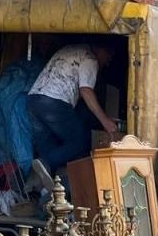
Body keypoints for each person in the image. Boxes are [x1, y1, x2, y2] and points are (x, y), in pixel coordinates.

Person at [26, 43, 118, 191]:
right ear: (101, 49)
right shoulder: (90, 58)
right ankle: (45, 164)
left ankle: (46, 194)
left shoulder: (68, 50)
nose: (107, 62)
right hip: (54, 102)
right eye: (109, 56)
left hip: (33, 100)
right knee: (79, 141)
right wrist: (105, 121)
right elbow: (86, 91)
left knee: (51, 148)